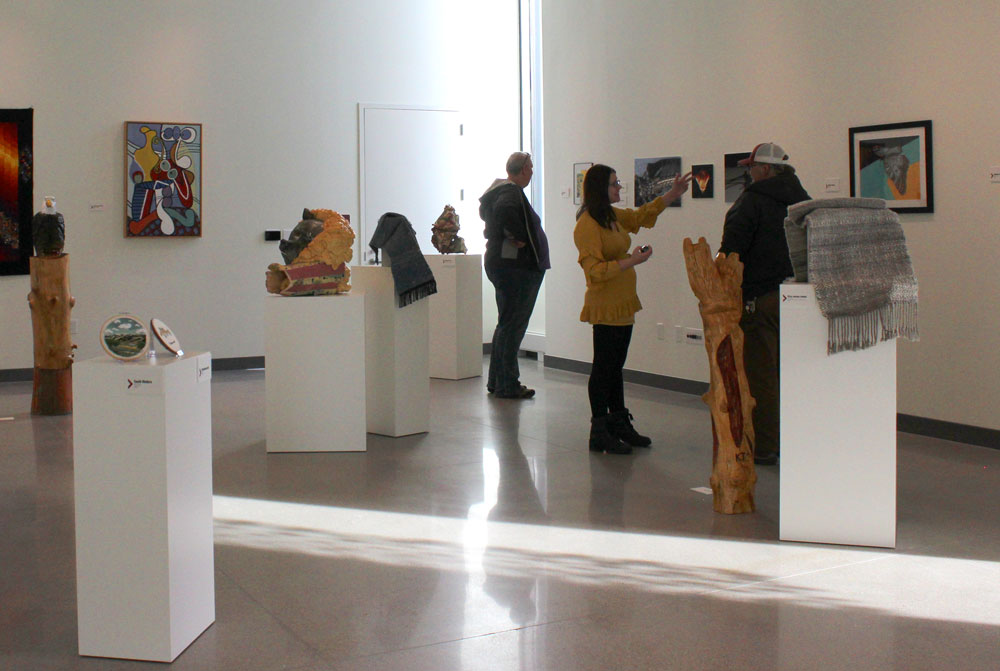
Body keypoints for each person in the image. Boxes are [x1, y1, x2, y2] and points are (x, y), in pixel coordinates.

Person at [574, 164, 691, 454]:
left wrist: (672, 194)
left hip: (623, 302)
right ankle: (599, 430)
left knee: (615, 367)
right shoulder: (587, 225)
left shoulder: (612, 216)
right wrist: (633, 261)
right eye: (615, 184)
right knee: (604, 367)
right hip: (605, 304)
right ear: (601, 188)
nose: (619, 189)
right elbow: (594, 271)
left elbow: (641, 216)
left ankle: (618, 422)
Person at [720, 142, 810, 465]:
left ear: (767, 170)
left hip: (760, 298)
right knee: (790, 372)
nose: (749, 171)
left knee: (761, 374)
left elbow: (732, 249)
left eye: (753, 166)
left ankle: (766, 445)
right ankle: (794, 438)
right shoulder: (803, 201)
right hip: (799, 298)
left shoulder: (752, 201)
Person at [479, 152, 550, 399]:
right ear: (521, 170)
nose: (532, 171)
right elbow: (505, 212)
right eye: (530, 167)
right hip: (516, 269)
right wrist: (516, 236)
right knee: (513, 326)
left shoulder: (502, 190)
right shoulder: (510, 193)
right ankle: (507, 384)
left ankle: (498, 381)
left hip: (506, 267)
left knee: (506, 324)